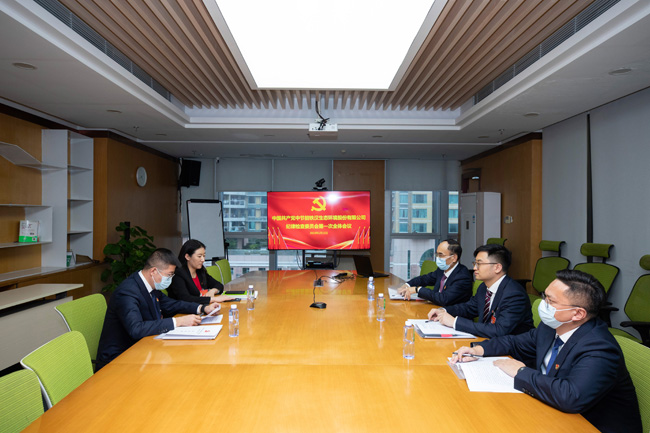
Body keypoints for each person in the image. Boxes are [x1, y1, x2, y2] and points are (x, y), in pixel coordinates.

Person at [451, 269, 642, 433]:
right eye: (544, 296)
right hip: (549, 411)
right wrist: (478, 349)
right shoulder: (551, 327)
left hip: (589, 425)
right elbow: (514, 342)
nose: (544, 305)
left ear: (578, 313)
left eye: (551, 301)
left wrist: (520, 371)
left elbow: (570, 396)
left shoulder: (599, 348)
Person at [96, 248, 219, 370]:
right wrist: (178, 321)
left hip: (145, 349)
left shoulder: (150, 286)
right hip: (119, 360)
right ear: (154, 271)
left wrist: (202, 308)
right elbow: (136, 328)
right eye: (169, 275)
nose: (170, 279)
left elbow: (172, 304)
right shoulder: (128, 292)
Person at [427, 244, 533, 338]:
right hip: (488, 342)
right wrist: (444, 310)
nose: (474, 268)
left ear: (497, 267)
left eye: (479, 264)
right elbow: (469, 308)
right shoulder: (483, 287)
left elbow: (499, 330)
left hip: (511, 351)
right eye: (475, 263)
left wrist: (455, 322)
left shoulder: (514, 294)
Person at [396, 239, 473, 306]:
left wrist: (418, 289)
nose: (437, 258)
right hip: (435, 308)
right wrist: (407, 285)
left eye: (441, 255)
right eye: (437, 254)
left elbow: (444, 299)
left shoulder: (463, 276)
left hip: (451, 315)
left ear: (454, 258)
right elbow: (424, 279)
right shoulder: (441, 270)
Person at [167, 239, 228, 305]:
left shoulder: (200, 271)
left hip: (202, 307)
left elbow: (219, 285)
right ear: (187, 257)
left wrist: (213, 291)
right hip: (183, 310)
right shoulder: (178, 274)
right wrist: (212, 299)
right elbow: (186, 299)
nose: (203, 259)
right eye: (199, 256)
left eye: (204, 256)